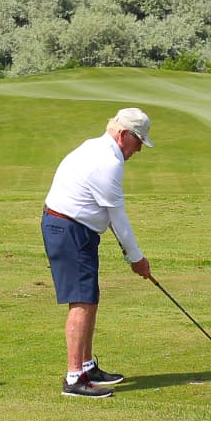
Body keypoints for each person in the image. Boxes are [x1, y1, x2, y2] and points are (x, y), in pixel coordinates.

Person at [42, 107, 156, 398]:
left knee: (89, 297)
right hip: (69, 229)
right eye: (139, 141)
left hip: (75, 229)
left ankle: (86, 366)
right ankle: (73, 379)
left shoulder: (95, 147)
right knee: (81, 300)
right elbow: (118, 219)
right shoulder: (107, 162)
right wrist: (137, 259)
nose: (140, 149)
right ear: (123, 135)